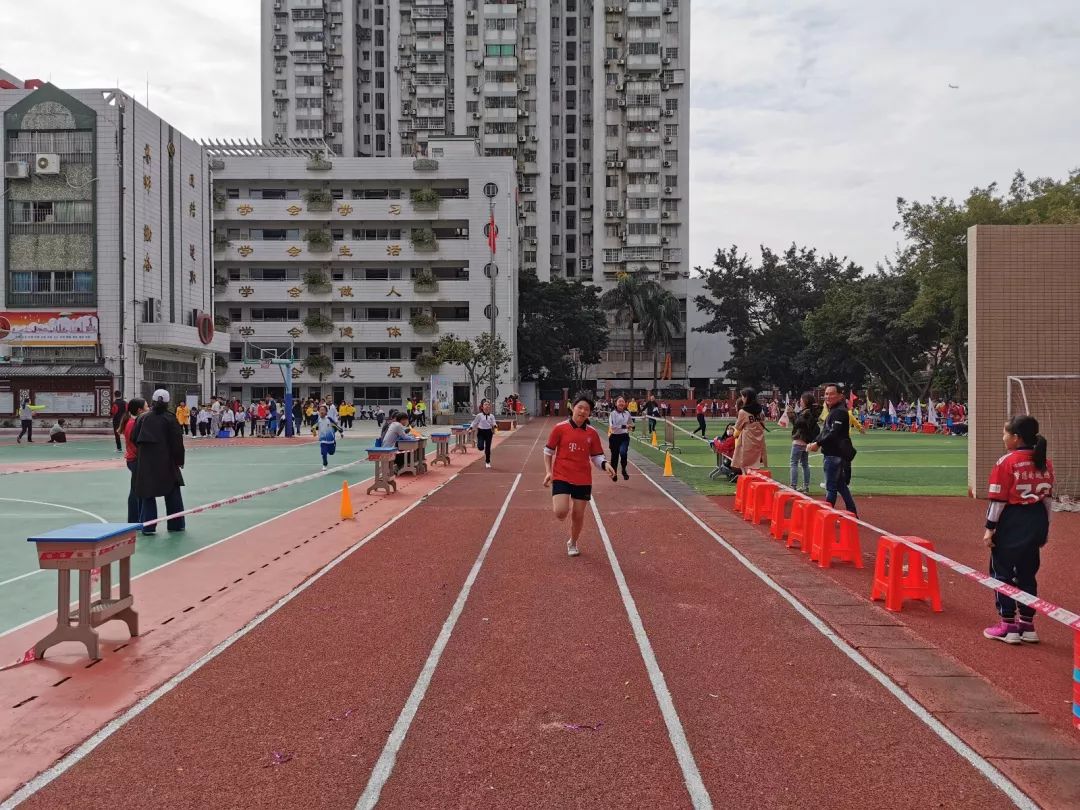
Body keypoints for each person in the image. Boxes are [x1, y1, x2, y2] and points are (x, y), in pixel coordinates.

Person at [982, 415, 1055, 644]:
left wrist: (989, 529)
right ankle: (1027, 624)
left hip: (1012, 521)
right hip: (1037, 519)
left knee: (1001, 573)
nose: (1003, 438)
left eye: (1005, 434)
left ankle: (1007, 625)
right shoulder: (1045, 461)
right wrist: (1045, 528)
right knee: (1027, 574)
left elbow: (998, 502)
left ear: (1016, 437)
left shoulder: (1006, 462)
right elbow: (1048, 501)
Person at [543, 394, 619, 557]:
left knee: (578, 515)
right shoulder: (560, 428)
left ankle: (573, 542)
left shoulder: (592, 433)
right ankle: (562, 502)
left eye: (587, 409)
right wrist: (549, 471)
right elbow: (548, 451)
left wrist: (605, 464)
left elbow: (596, 456)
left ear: (589, 413)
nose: (583, 411)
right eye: (580, 407)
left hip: (583, 478)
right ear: (573, 408)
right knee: (561, 513)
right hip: (562, 475)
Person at [131, 389, 186, 535]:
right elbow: (177, 442)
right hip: (166, 461)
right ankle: (176, 524)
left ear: (153, 400)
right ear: (168, 402)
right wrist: (179, 460)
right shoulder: (170, 418)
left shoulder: (142, 418)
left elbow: (134, 438)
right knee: (173, 491)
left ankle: (148, 526)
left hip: (146, 462)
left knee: (147, 493)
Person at [808, 384, 858, 515]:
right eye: (826, 394)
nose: (827, 396)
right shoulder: (835, 411)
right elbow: (826, 431)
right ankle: (852, 512)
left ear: (840, 395)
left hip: (834, 454)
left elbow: (833, 433)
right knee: (841, 485)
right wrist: (815, 442)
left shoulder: (839, 412)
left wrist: (817, 443)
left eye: (831, 394)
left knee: (831, 487)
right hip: (835, 454)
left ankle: (826, 516)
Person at [120, 398, 147, 523]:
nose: (149, 408)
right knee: (135, 491)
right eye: (146, 406)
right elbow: (135, 443)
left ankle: (138, 518)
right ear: (140, 410)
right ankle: (133, 520)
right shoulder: (132, 423)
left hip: (134, 459)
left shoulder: (133, 421)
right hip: (135, 459)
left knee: (139, 489)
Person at [731, 388, 768, 473]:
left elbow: (738, 427)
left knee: (744, 464)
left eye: (743, 396)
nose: (742, 399)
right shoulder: (760, 410)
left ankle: (748, 483)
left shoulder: (743, 412)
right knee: (756, 465)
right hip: (759, 439)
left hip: (747, 440)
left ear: (748, 398)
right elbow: (763, 425)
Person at [789, 392, 818, 494]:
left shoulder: (805, 413)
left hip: (799, 441)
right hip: (806, 442)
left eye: (801, 400)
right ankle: (806, 487)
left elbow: (798, 424)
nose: (800, 401)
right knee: (805, 464)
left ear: (805, 401)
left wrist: (791, 416)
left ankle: (793, 486)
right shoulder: (811, 412)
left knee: (794, 463)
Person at [608, 395, 633, 480]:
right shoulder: (612, 414)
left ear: (625, 403)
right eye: (619, 401)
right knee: (614, 456)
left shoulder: (627, 413)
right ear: (616, 403)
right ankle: (614, 473)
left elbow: (631, 424)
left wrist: (632, 427)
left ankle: (623, 469)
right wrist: (625, 426)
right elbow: (613, 427)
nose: (621, 403)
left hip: (624, 437)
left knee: (623, 453)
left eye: (623, 401)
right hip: (614, 437)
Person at [312, 403, 343, 471]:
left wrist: (341, 432)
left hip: (331, 441)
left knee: (331, 453)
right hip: (323, 441)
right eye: (320, 410)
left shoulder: (329, 419)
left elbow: (336, 426)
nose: (322, 411)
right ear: (319, 412)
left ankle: (334, 445)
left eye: (323, 410)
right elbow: (313, 427)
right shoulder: (318, 420)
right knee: (324, 453)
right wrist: (313, 431)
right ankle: (325, 464)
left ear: (326, 412)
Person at [470, 401, 498, 468]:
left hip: (489, 432)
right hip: (481, 432)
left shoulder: (491, 416)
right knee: (480, 447)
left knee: (488, 448)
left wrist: (495, 426)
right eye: (485, 404)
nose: (487, 406)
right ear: (482, 407)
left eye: (488, 405)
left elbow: (494, 423)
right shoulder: (479, 415)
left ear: (490, 407)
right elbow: (474, 422)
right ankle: (479, 444)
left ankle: (487, 462)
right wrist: (471, 427)